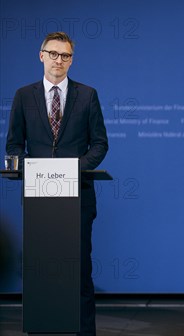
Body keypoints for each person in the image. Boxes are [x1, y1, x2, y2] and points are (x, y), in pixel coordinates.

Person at [6, 31, 109, 336]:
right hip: (39, 200)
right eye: (53, 54)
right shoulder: (24, 96)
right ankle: (39, 328)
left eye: (65, 56)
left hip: (77, 198)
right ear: (41, 55)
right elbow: (13, 147)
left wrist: (72, 170)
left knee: (79, 271)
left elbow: (100, 145)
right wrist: (36, 169)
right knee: (40, 270)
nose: (58, 60)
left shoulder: (87, 95)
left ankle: (84, 332)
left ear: (71, 60)